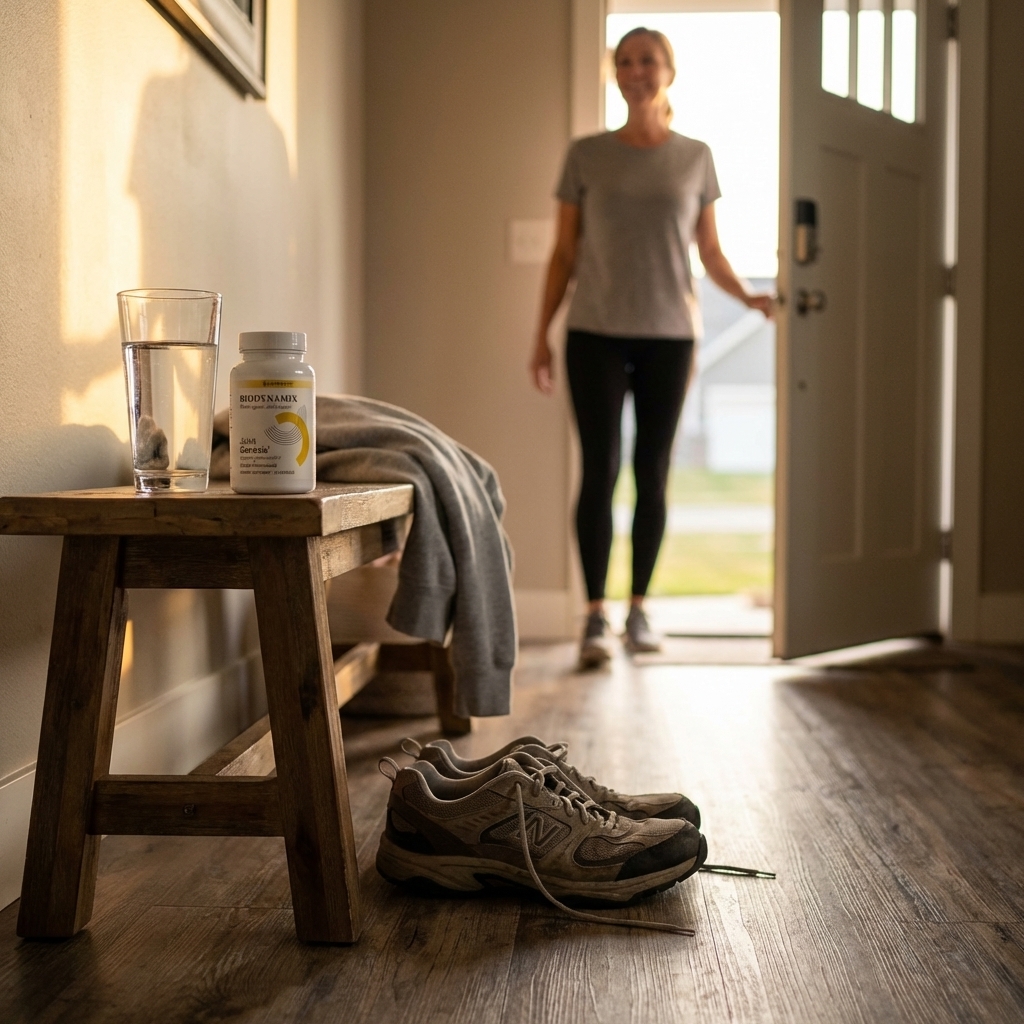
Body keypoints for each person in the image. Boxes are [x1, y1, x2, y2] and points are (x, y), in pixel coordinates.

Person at [530, 26, 773, 669]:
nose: (637, 71)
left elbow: (711, 252)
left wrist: (750, 299)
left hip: (671, 334)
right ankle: (593, 619)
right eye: (627, 61)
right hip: (594, 332)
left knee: (654, 471)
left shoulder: (696, 156)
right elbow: (563, 254)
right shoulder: (585, 155)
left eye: (650, 61)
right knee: (601, 470)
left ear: (669, 71)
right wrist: (540, 337)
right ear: (615, 73)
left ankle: (638, 610)